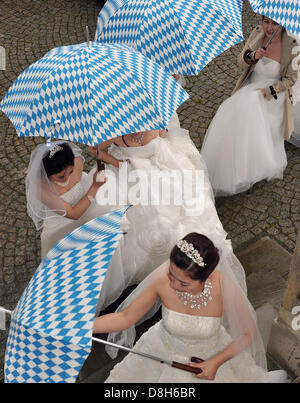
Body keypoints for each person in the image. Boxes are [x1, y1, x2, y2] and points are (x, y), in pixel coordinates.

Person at [90, 110, 247, 314]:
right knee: (151, 220)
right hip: (134, 177)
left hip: (162, 170)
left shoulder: (154, 120)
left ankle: (183, 264)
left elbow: (165, 141)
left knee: (183, 206)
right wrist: (116, 162)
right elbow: (95, 149)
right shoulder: (116, 133)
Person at [93, 233, 288, 383]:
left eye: (184, 284)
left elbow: (248, 334)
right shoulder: (162, 279)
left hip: (211, 355)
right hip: (161, 352)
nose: (173, 285)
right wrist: (83, 326)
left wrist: (215, 362)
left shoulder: (222, 285)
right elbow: (125, 317)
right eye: (171, 274)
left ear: (206, 278)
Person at [201, 16, 298, 196]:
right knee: (229, 108)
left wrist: (266, 92)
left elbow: (290, 80)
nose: (269, 27)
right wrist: (253, 56)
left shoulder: (292, 46)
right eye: (266, 21)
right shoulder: (257, 34)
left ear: (283, 24)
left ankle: (250, 167)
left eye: (274, 23)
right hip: (251, 87)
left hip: (274, 93)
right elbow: (240, 61)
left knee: (249, 106)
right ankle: (227, 164)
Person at [25, 141, 106, 258]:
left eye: (71, 171)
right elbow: (73, 214)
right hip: (62, 228)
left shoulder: (77, 162)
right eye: (61, 176)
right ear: (46, 174)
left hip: (89, 211)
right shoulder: (41, 189)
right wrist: (95, 187)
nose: (67, 177)